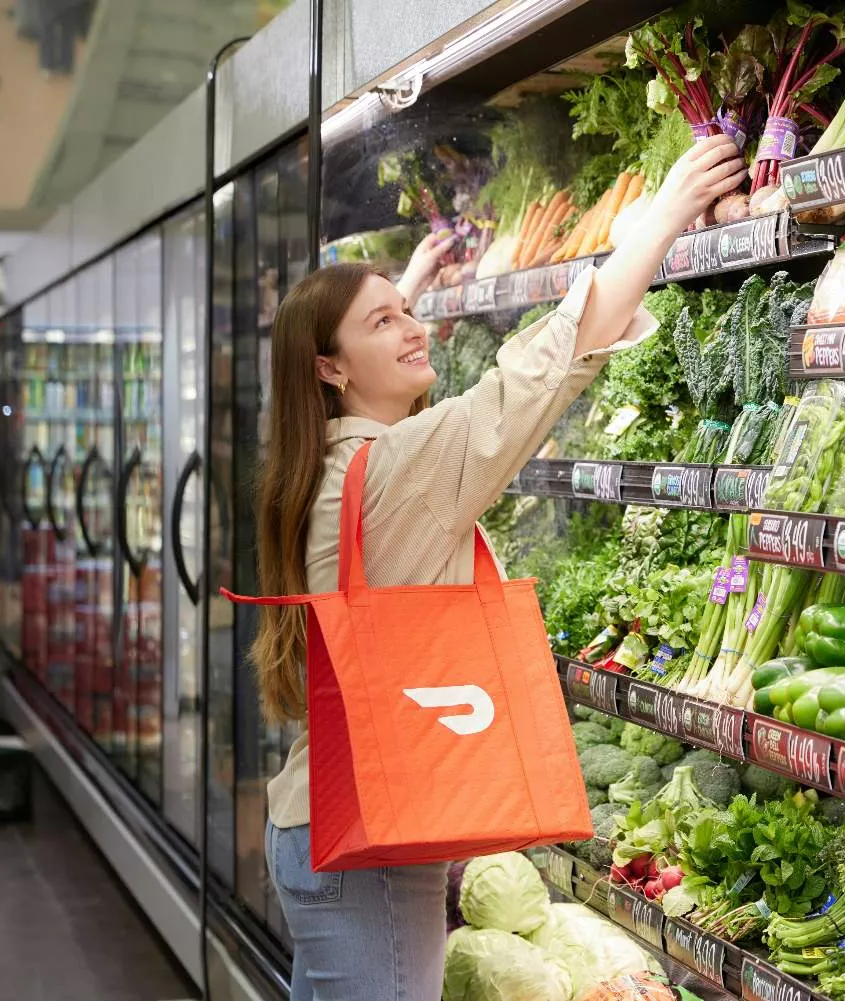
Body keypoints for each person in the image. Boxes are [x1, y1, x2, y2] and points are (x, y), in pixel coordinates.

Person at [251, 136, 746, 1001]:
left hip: (330, 820)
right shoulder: (396, 466)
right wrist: (667, 209)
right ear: (329, 367)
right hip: (365, 845)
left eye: (408, 310)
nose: (413, 328)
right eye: (383, 322)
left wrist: (394, 293)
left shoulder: (327, 461)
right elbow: (534, 374)